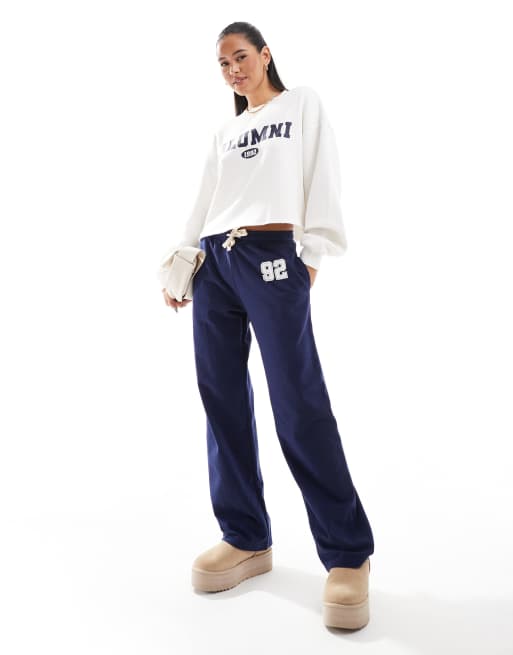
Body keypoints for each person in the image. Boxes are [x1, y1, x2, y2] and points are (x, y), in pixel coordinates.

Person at [160, 21, 375, 630]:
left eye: (241, 56)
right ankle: (245, 535)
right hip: (216, 263)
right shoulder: (225, 132)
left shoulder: (300, 104)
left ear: (265, 54)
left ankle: (348, 552)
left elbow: (321, 173)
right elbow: (206, 200)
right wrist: (183, 262)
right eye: (223, 63)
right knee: (221, 398)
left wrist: (312, 255)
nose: (233, 69)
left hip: (273, 254)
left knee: (297, 399)